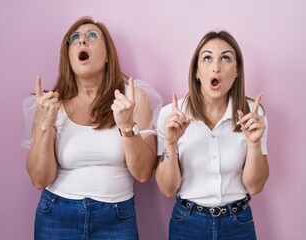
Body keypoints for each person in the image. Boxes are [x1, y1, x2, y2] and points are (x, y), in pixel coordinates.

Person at [21, 16, 162, 240]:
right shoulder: (50, 105)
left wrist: (127, 127)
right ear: (68, 56)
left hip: (117, 220)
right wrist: (45, 126)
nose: (82, 41)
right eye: (74, 38)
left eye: (91, 36)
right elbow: (39, 179)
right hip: (56, 217)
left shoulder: (132, 98)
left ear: (108, 56)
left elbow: (144, 173)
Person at [155, 30, 269, 240]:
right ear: (197, 72)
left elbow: (255, 186)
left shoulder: (253, 114)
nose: (216, 67)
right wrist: (170, 143)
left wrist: (254, 144)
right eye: (207, 58)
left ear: (237, 71)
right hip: (187, 223)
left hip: (238, 224)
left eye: (226, 58)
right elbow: (167, 188)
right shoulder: (170, 115)